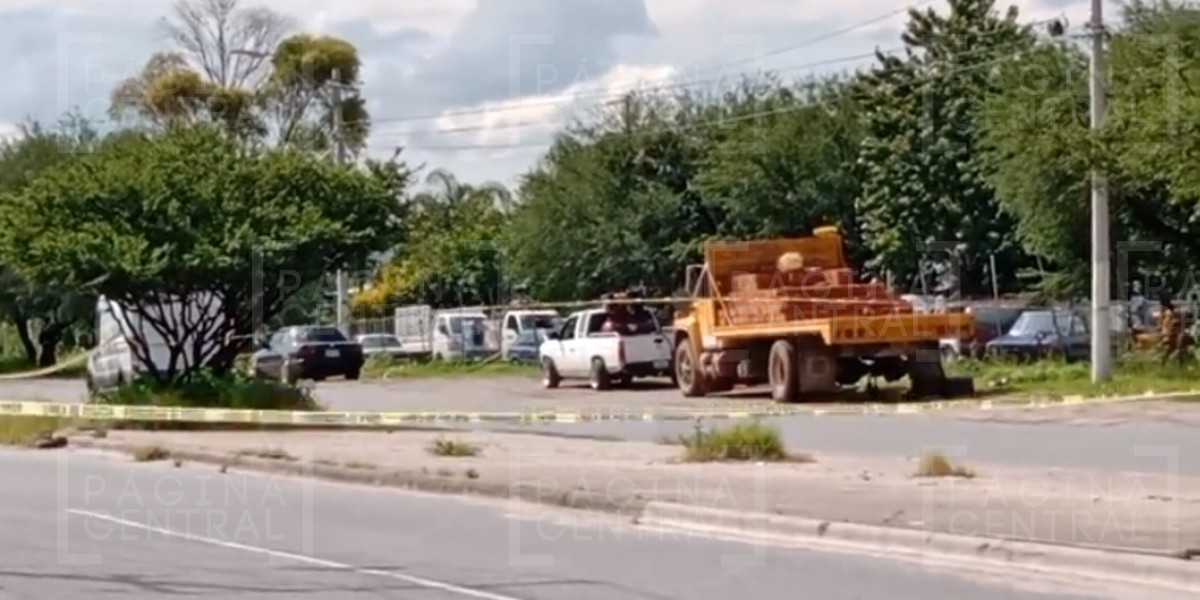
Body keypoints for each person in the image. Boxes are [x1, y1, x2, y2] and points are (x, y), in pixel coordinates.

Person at [1159, 294, 1190, 366]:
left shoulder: (1171, 311)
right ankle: (1164, 365)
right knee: (1169, 349)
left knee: (1181, 349)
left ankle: (1181, 367)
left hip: (1175, 331)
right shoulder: (1167, 312)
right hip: (1171, 331)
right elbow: (1164, 324)